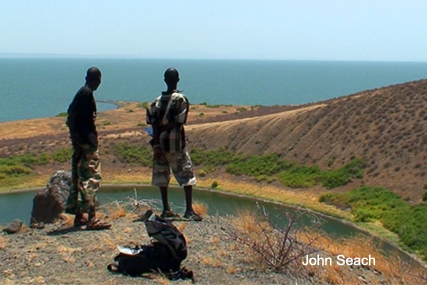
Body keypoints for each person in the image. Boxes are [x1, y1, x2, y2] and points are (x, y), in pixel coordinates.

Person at [146, 68, 202, 221]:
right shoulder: (181, 99)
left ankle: (166, 209)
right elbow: (180, 121)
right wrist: (165, 127)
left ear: (165, 80)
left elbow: (152, 124)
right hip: (175, 144)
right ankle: (189, 210)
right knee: (186, 175)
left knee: (162, 176)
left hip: (159, 146)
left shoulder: (155, 101)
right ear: (178, 79)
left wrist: (156, 142)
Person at [65, 67, 111, 230]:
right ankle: (92, 218)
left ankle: (79, 216)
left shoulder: (83, 93)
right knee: (91, 177)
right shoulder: (86, 93)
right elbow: (71, 117)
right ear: (98, 79)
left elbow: (71, 116)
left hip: (81, 143)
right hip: (86, 143)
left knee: (79, 177)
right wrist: (78, 140)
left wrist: (75, 141)